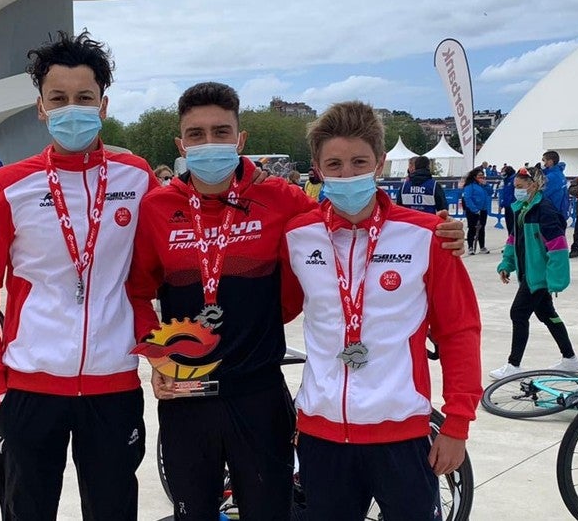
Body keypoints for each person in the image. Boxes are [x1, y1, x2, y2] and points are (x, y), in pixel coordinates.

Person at [127, 84, 467, 521]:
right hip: (187, 394)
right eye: (196, 134)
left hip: (259, 394)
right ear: (181, 144)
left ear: (240, 139)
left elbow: (322, 258)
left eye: (220, 131)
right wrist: (156, 356)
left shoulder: (283, 202)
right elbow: (136, 291)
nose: (209, 143)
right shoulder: (156, 206)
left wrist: (440, 233)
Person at [0, 31, 153, 521]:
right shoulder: (7, 186)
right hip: (29, 387)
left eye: (84, 98)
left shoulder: (136, 176)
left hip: (114, 385)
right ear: (40, 108)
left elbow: (147, 281)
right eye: (58, 99)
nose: (72, 109)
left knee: (113, 512)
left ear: (103, 105)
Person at [279, 101, 480, 521]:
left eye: (359, 162)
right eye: (334, 164)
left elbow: (459, 331)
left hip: (401, 434)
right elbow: (276, 309)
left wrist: (457, 423)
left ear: (380, 163)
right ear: (316, 168)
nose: (346, 174)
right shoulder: (298, 236)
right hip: (321, 435)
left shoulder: (426, 236)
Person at [491, 165, 578, 379]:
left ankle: (514, 364)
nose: (517, 190)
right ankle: (570, 359)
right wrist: (507, 264)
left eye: (520, 186)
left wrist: (555, 279)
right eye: (515, 186)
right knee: (547, 315)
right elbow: (513, 240)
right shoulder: (521, 209)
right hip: (527, 273)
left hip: (538, 277)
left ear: (533, 185)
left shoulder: (545, 211)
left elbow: (558, 247)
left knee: (518, 313)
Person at [460, 167, 491, 255]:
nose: (481, 177)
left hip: (483, 209)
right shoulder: (470, 185)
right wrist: (474, 209)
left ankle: (482, 246)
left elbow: (490, 192)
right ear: (474, 176)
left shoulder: (483, 185)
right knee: (472, 228)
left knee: (482, 228)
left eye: (482, 176)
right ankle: (470, 247)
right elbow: (468, 198)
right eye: (479, 176)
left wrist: (486, 185)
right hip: (473, 210)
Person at [541, 150, 570, 220]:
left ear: (550, 162)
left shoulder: (551, 177)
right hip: (559, 210)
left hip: (551, 211)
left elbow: (542, 194)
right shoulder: (559, 173)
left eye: (543, 160)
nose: (542, 163)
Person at [498, 165, 517, 236]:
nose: (502, 173)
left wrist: (502, 204)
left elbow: (509, 195)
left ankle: (513, 241)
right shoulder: (507, 180)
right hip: (508, 205)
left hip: (512, 206)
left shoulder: (512, 180)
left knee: (512, 225)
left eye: (503, 172)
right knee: (509, 225)